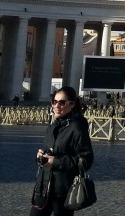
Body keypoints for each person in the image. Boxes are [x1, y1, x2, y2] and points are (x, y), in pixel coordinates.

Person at [30, 86, 94, 215]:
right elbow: (49, 150)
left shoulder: (77, 128)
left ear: (72, 105)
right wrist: (40, 156)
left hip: (63, 191)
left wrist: (56, 161)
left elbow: (86, 160)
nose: (57, 106)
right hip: (43, 187)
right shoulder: (52, 126)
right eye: (54, 102)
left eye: (62, 102)